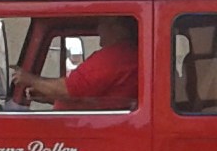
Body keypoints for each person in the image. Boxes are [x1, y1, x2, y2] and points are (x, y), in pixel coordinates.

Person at [11, 17, 139, 111]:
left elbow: (71, 89)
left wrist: (30, 79)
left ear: (117, 27)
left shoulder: (114, 57)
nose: (99, 30)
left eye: (101, 24)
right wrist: (51, 97)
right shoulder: (127, 55)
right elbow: (95, 99)